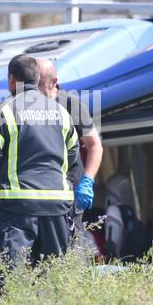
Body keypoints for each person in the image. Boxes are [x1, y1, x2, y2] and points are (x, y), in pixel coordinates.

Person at [0, 54, 79, 293]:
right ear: (37, 78)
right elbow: (72, 155)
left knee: (6, 283)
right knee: (53, 284)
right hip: (57, 207)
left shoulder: (3, 111)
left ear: (12, 80)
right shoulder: (61, 113)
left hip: (16, 208)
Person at [36, 56, 103, 221]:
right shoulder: (26, 104)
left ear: (54, 82)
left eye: (40, 84)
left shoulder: (71, 105)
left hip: (69, 189)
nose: (34, 90)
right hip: (37, 190)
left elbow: (95, 145)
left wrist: (87, 181)